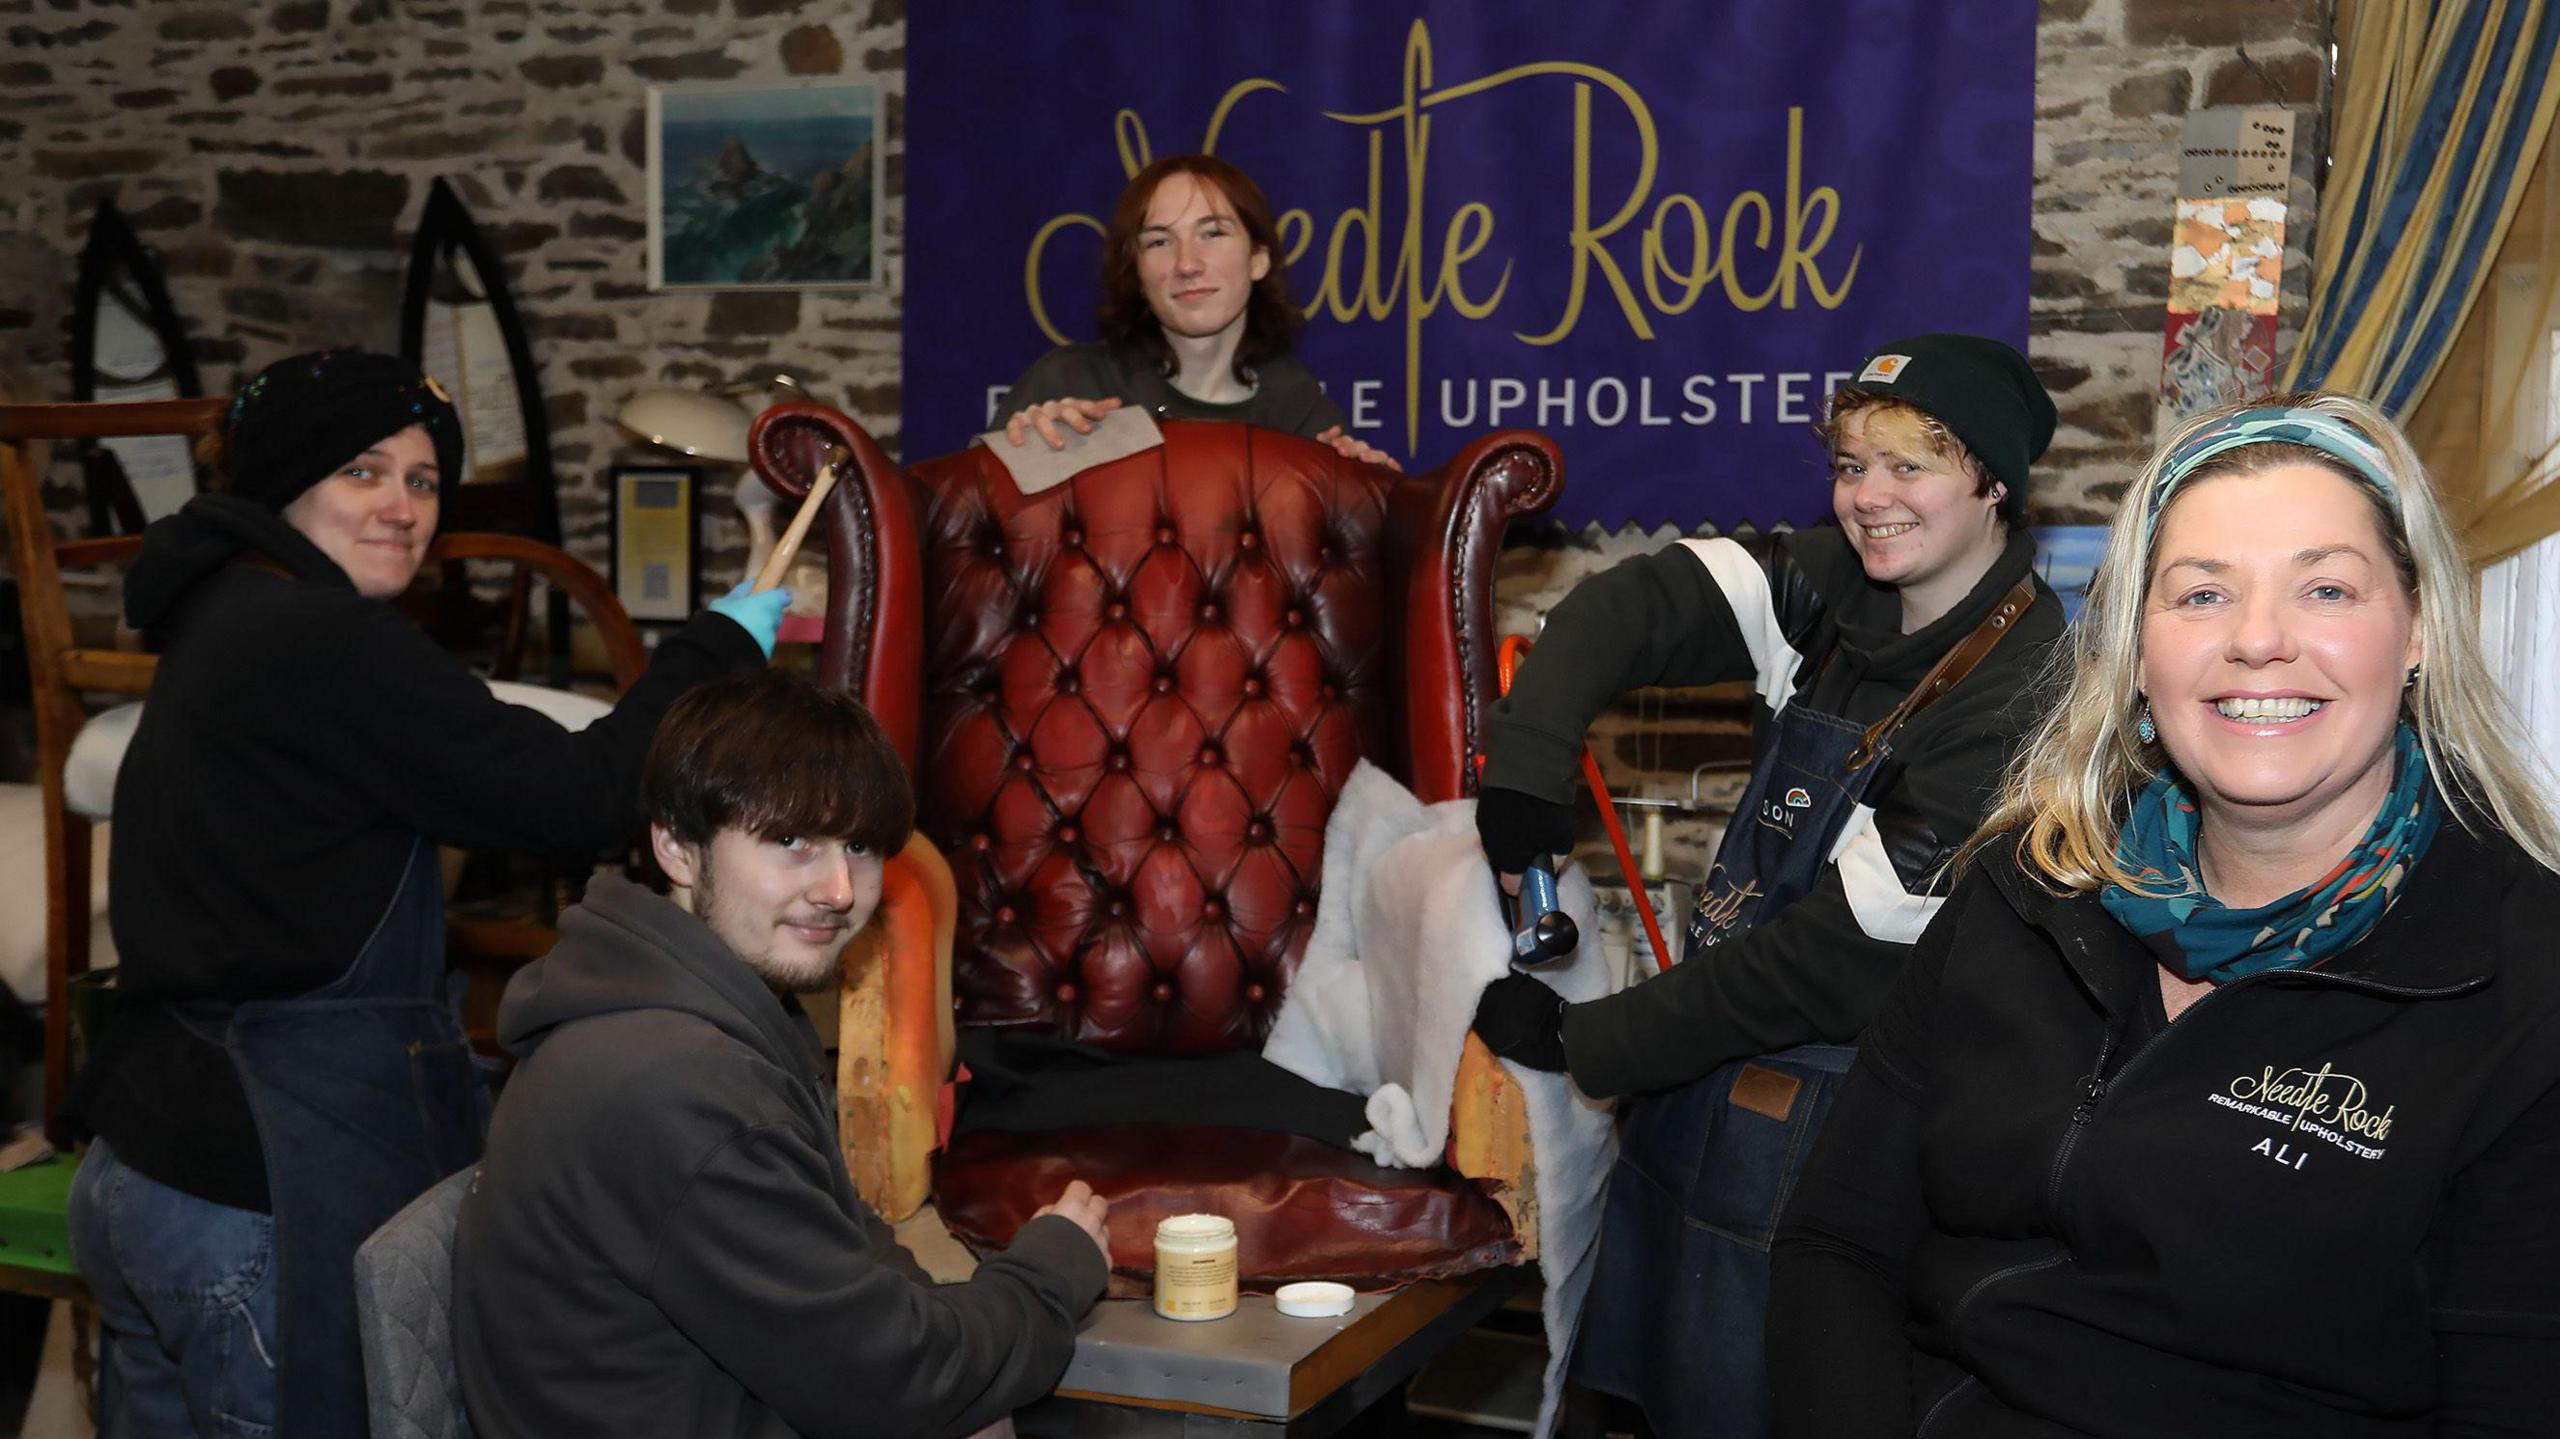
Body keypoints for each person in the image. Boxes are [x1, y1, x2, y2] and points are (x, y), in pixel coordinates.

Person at [1768, 394, 2560, 1436]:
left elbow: (2511, 1395)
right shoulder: (2022, 887)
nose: (2258, 640)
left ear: (2415, 631)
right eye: (2199, 595)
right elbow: (1839, 1241)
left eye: (2323, 587)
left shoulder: (2519, 977)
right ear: (2138, 652)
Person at [62, 349, 788, 1437]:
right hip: (257, 1183)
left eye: (423, 480)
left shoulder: (224, 611)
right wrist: (721, 646)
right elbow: (577, 795)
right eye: (364, 471)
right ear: (284, 484)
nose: (402, 506)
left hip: (145, 1173)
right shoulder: (318, 637)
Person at [1465, 334, 2065, 1434]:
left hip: (1840, 1138)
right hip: (1696, 1077)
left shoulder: (2020, 698)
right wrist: (1525, 776)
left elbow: (1825, 966)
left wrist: (1583, 1041)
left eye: (1908, 465)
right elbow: (1623, 608)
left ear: (1993, 482)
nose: (1867, 498)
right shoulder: (1833, 583)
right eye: (1849, 463)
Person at [454, 670, 1110, 1437]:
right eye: (790, 840)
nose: (838, 888)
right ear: (676, 846)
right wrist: (1050, 1271)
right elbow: (898, 1378)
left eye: (860, 845)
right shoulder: (678, 1087)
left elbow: (862, 1265)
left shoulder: (698, 1018)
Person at [996, 152, 1396, 468]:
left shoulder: (1298, 408)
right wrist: (1022, 458)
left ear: (1258, 258)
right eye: (1158, 242)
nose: (1187, 264)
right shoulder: (1070, 384)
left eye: (1213, 234)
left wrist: (1368, 497)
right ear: (1136, 270)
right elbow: (964, 534)